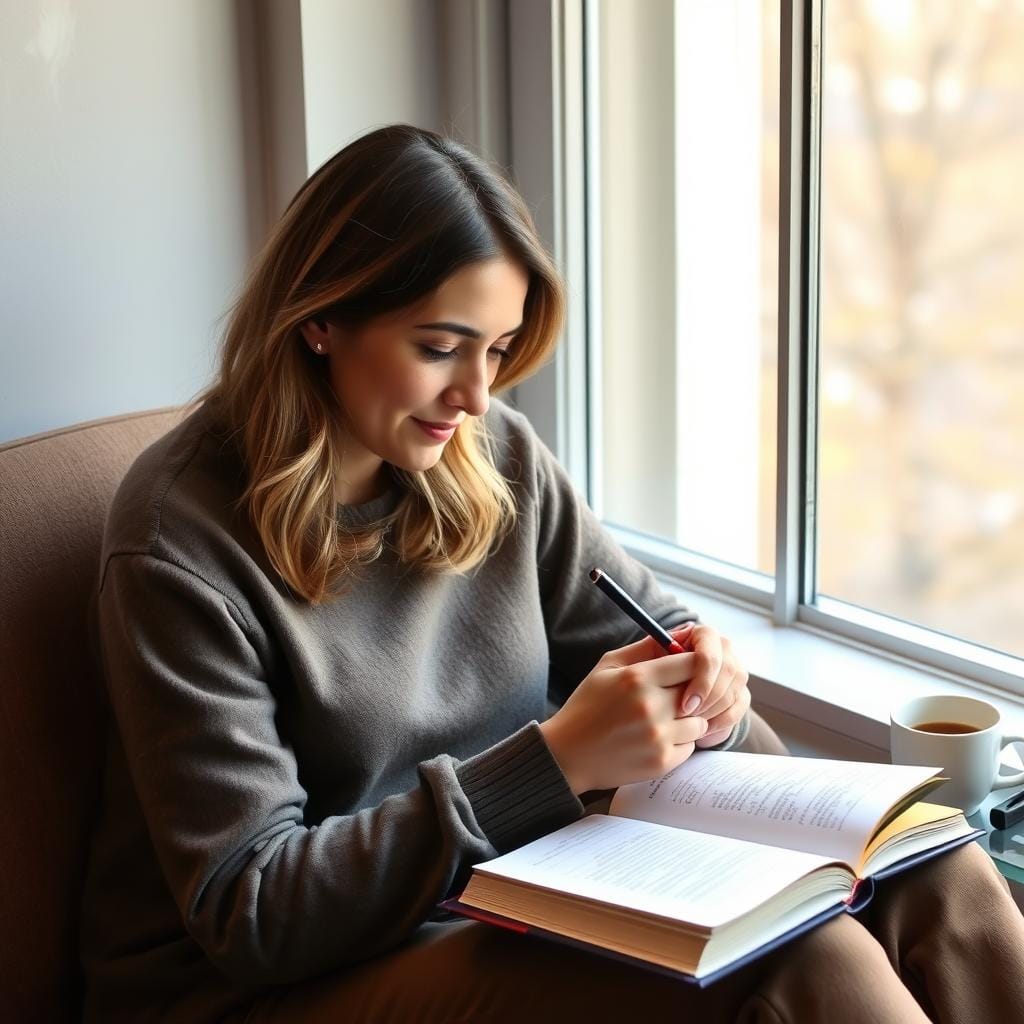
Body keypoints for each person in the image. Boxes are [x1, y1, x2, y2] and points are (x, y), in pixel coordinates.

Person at [81, 124, 1024, 1023]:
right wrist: (556, 764)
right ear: (322, 317)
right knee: (798, 958)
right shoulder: (180, 542)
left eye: (495, 350)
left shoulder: (492, 457)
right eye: (440, 347)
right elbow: (252, 912)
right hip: (271, 986)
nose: (477, 395)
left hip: (507, 893)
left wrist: (724, 709)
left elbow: (656, 636)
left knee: (932, 866)